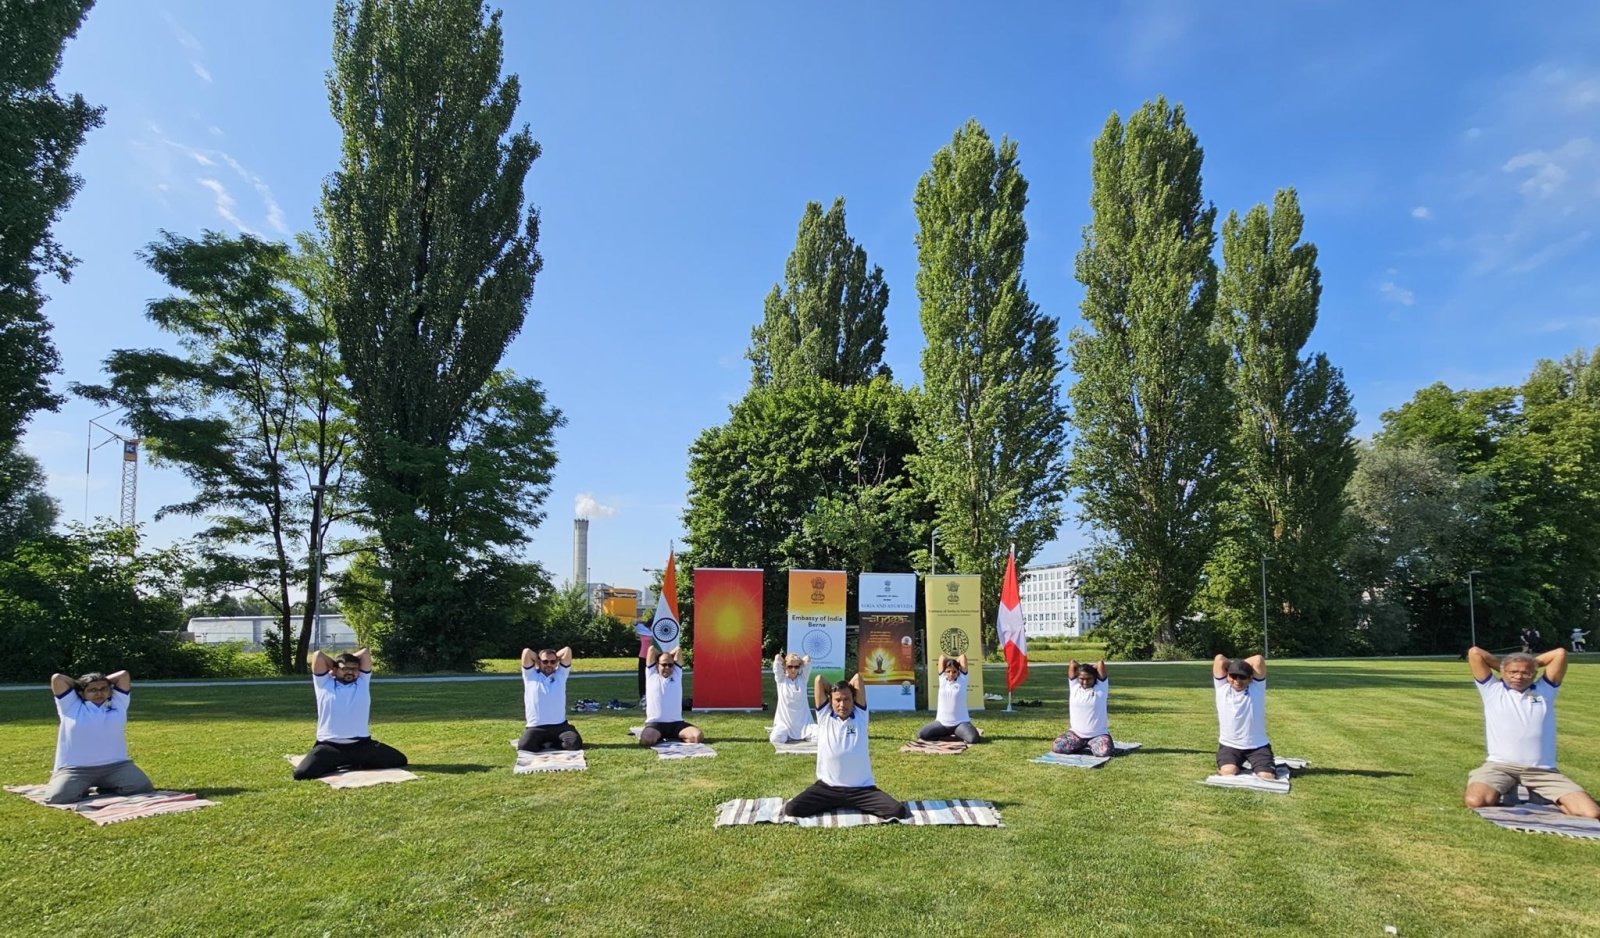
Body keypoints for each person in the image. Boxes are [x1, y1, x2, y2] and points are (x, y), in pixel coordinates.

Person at [1462, 646, 1600, 818]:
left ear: (1535, 674)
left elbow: (1560, 654)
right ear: (1503, 672)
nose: (1519, 676)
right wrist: (1507, 666)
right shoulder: (1492, 690)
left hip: (1542, 771)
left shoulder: (1545, 690)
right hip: (1500, 767)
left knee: (1591, 813)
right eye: (1513, 672)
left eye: (1526, 673)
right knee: (1476, 802)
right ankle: (1510, 789)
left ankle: (1544, 796)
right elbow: (1475, 653)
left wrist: (1528, 664)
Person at [783, 672, 908, 820]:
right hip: (827, 788)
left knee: (897, 811)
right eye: (838, 700)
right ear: (831, 701)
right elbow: (819, 679)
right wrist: (833, 689)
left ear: (854, 700)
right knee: (792, 809)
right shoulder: (824, 716)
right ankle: (834, 802)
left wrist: (843, 688)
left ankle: (846, 803)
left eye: (847, 699)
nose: (842, 704)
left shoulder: (860, 715)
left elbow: (858, 678)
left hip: (861, 790)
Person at [292, 648, 408, 780]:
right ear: (335, 670)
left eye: (354, 669)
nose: (350, 672)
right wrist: (336, 664)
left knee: (399, 760)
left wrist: (344, 663)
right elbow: (318, 655)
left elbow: (364, 653)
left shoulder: (362, 682)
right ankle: (339, 761)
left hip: (361, 745)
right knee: (301, 774)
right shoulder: (324, 683)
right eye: (345, 669)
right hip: (329, 746)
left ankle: (350, 762)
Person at [44, 670, 155, 804]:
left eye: (103, 689)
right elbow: (57, 678)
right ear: (81, 693)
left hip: (116, 766)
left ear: (109, 691)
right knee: (58, 798)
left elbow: (124, 675)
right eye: (92, 690)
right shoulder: (70, 705)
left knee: (142, 787)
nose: (99, 693)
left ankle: (105, 786)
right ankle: (80, 786)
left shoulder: (118, 703)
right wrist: (81, 684)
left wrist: (99, 682)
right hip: (76, 769)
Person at [1212, 654, 1275, 780]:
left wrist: (1240, 665)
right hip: (1229, 745)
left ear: (1250, 678)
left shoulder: (1256, 687)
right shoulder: (1222, 687)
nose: (1237, 680)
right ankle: (1234, 763)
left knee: (1267, 777)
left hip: (1258, 746)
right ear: (1228, 676)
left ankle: (1260, 765)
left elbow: (1258, 660)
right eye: (1233, 676)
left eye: (1242, 676)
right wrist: (1235, 666)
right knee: (1229, 772)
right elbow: (1219, 659)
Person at [518, 646, 582, 751]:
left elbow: (567, 650)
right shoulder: (530, 675)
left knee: (574, 744)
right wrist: (539, 660)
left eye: (552, 662)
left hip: (560, 726)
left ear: (556, 662)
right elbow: (526, 652)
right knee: (525, 747)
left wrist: (555, 658)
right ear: (539, 661)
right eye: (545, 661)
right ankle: (545, 743)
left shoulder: (560, 675)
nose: (549, 664)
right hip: (536, 727)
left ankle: (553, 743)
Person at [638, 647, 703, 746]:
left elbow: (678, 650)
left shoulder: (676, 674)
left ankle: (675, 737)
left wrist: (667, 657)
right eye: (664, 664)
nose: (667, 667)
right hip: (656, 724)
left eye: (670, 665)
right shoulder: (651, 674)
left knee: (697, 737)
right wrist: (664, 655)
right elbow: (651, 649)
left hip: (677, 724)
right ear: (657, 665)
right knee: (647, 741)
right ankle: (659, 736)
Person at [1052, 659, 1112, 757]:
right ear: (1078, 678)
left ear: (1095, 678)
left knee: (1104, 752)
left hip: (1098, 735)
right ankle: (1082, 744)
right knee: (1057, 747)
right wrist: (1082, 669)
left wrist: (1088, 669)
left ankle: (1091, 743)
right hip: (1076, 734)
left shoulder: (1101, 687)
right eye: (1082, 678)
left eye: (1089, 678)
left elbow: (1100, 663)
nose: (1085, 682)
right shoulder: (1074, 686)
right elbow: (1072, 663)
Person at [916, 653, 981, 744]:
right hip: (942, 724)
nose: (951, 674)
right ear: (945, 672)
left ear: (958, 672)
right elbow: (942, 657)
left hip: (960, 723)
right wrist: (950, 662)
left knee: (973, 739)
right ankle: (946, 734)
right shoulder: (942, 679)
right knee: (921, 734)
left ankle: (958, 733)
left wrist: (954, 662)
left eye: (954, 671)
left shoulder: (962, 679)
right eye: (948, 671)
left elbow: (962, 657)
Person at [769, 652, 816, 745]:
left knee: (821, 736)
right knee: (775, 738)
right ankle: (788, 735)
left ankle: (804, 735)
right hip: (785, 724)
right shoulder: (781, 679)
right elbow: (777, 657)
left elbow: (808, 658)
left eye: (796, 667)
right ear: (786, 666)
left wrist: (798, 661)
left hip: (804, 724)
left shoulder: (803, 679)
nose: (793, 669)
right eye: (790, 666)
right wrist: (786, 661)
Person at [634, 621, 653, 700]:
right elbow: (634, 623)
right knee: (642, 677)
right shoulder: (642, 630)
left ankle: (652, 694)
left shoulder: (656, 631)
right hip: (643, 656)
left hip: (652, 657)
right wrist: (641, 622)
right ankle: (643, 695)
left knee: (652, 676)